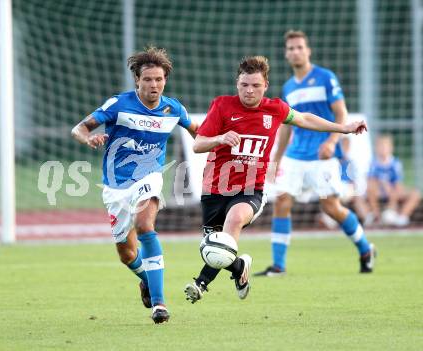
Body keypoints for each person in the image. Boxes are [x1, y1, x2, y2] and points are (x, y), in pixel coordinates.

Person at [184, 55, 367, 304]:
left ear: (266, 85)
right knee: (215, 249)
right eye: (244, 85)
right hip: (215, 190)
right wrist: (219, 138)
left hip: (251, 189)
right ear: (237, 83)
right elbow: (198, 145)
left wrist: (343, 128)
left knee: (234, 222)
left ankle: (200, 284)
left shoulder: (276, 108)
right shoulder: (222, 106)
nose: (249, 90)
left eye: (256, 85)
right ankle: (240, 268)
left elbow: (305, 119)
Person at [71, 47, 198, 324]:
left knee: (145, 227)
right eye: (148, 79)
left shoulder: (173, 108)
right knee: (126, 254)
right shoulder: (118, 104)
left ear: (165, 80)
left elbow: (200, 133)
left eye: (159, 79)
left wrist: (225, 139)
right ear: (137, 81)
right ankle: (147, 281)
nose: (154, 85)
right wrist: (88, 139)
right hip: (116, 186)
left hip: (149, 178)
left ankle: (160, 303)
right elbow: (79, 129)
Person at [255, 30, 376, 278]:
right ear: (286, 54)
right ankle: (278, 266)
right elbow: (288, 126)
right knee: (282, 201)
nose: (295, 51)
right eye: (291, 48)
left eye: (300, 47)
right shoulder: (289, 87)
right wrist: (275, 160)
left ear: (308, 50)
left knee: (331, 207)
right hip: (295, 156)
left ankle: (365, 249)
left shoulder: (325, 78)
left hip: (322, 156)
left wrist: (333, 141)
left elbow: (341, 113)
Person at [366, 134, 421, 227]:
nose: (383, 149)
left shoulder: (396, 163)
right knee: (370, 190)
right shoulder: (373, 164)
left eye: (385, 147)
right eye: (380, 146)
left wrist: (389, 187)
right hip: (378, 191)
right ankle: (377, 217)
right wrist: (382, 185)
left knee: (415, 193)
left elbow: (398, 183)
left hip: (392, 191)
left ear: (391, 148)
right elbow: (371, 181)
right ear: (377, 148)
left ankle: (401, 216)